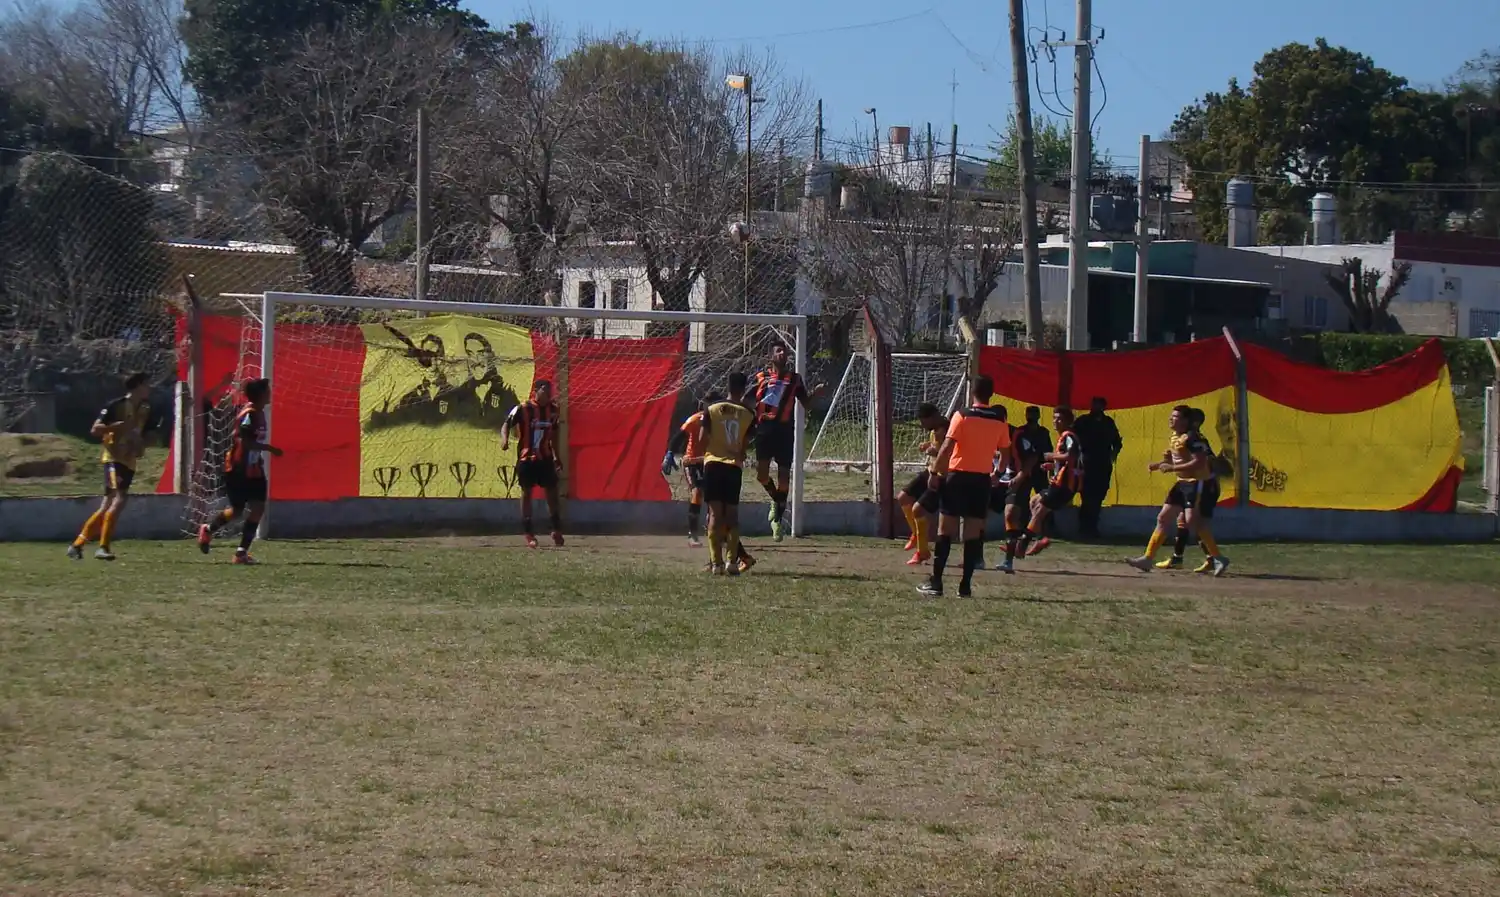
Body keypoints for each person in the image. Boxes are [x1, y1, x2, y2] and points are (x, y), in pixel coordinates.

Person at [917, 375, 1012, 599]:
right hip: (981, 481)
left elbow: (948, 446)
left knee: (945, 530)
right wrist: (997, 474)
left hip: (957, 477)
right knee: (972, 533)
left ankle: (937, 582)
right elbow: (1006, 452)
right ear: (991, 394)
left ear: (973, 393)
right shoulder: (999, 419)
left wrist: (934, 472)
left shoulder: (962, 415)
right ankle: (965, 586)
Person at [1128, 405, 1229, 576]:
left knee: (1193, 522)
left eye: (1175, 417)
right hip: (1181, 484)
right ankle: (1148, 558)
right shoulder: (1175, 437)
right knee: (1163, 517)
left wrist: (1172, 467)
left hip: (1195, 484)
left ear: (1185, 421)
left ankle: (1217, 558)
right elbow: (1179, 460)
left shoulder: (1192, 438)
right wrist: (1160, 464)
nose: (1170, 419)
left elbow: (1199, 462)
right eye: (1171, 416)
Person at [68, 372, 154, 561]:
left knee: (107, 504)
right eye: (147, 384)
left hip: (129, 460)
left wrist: (141, 444)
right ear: (137, 385)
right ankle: (103, 547)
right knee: (120, 499)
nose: (150, 388)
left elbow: (148, 434)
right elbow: (95, 430)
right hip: (113, 458)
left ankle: (77, 545)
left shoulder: (146, 408)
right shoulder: (116, 405)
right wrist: (117, 427)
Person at [197, 378, 282, 565]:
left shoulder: (259, 412)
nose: (270, 393)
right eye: (267, 391)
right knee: (237, 511)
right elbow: (245, 442)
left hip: (254, 470)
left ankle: (241, 552)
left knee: (258, 508)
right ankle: (209, 529)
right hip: (238, 469)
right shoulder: (249, 414)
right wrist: (269, 448)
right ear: (260, 395)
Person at [751, 342, 823, 542]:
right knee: (762, 475)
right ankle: (776, 500)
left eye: (785, 351)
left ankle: (778, 520)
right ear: (770, 356)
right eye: (778, 351)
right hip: (764, 430)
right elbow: (748, 401)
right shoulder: (760, 378)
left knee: (784, 479)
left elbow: (805, 403)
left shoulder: (795, 379)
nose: (783, 354)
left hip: (784, 431)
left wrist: (815, 394)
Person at [699, 372, 757, 575]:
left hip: (713, 464)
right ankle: (732, 562)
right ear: (744, 389)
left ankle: (716, 564)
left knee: (714, 514)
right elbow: (745, 445)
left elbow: (702, 438)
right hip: (733, 466)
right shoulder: (749, 414)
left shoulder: (712, 409)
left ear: (727, 386)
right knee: (732, 515)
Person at [502, 379, 564, 548]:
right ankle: (529, 533)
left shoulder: (553, 410)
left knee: (552, 492)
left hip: (545, 458)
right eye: (545, 389)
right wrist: (505, 440)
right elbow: (506, 424)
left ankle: (556, 529)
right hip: (526, 459)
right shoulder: (523, 408)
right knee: (527, 493)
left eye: (550, 390)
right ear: (536, 390)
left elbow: (554, 435)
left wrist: (557, 456)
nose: (549, 392)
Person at [1014, 407, 1083, 559]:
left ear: (1067, 421)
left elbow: (1070, 456)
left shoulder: (1068, 436)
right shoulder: (1063, 437)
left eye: (1059, 419)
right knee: (1034, 501)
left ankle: (1022, 546)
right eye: (1054, 418)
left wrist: (1049, 456)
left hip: (1064, 486)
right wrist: (1052, 466)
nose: (1055, 421)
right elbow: (1069, 462)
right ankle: (1042, 537)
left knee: (1039, 511)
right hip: (1059, 483)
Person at [995, 412, 1047, 573]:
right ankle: (976, 558)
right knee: (977, 516)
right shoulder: (983, 431)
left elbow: (1032, 457)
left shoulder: (1017, 434)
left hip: (1016, 479)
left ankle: (1009, 560)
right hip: (994, 479)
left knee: (1011, 514)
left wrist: (1019, 476)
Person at [896, 402, 948, 566]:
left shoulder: (949, 429)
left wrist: (936, 451)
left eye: (924, 422)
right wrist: (929, 446)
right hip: (930, 471)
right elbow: (937, 448)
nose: (922, 425)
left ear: (933, 417)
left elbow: (952, 452)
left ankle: (923, 552)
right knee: (903, 497)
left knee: (917, 509)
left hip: (942, 476)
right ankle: (917, 535)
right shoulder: (935, 430)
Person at [1073, 396, 1122, 539]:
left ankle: (1093, 527)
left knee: (1099, 495)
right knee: (1086, 495)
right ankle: (1084, 528)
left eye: (1099, 405)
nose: (1096, 407)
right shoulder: (1083, 421)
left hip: (1103, 463)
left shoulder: (1108, 423)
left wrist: (1112, 455)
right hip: (1086, 463)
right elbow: (1072, 438)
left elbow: (1117, 443)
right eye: (1094, 404)